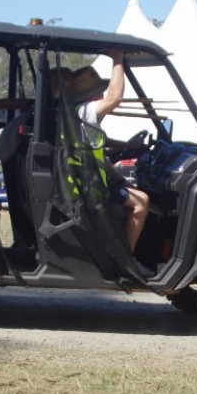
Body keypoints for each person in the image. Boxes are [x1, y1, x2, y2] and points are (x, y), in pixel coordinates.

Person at [67, 50, 152, 276]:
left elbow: (98, 149)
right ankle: (126, 263)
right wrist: (117, 59)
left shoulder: (79, 116)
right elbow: (115, 98)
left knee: (134, 192)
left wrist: (126, 147)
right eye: (100, 92)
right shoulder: (85, 111)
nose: (103, 95)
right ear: (92, 95)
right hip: (90, 187)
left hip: (91, 180)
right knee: (142, 202)